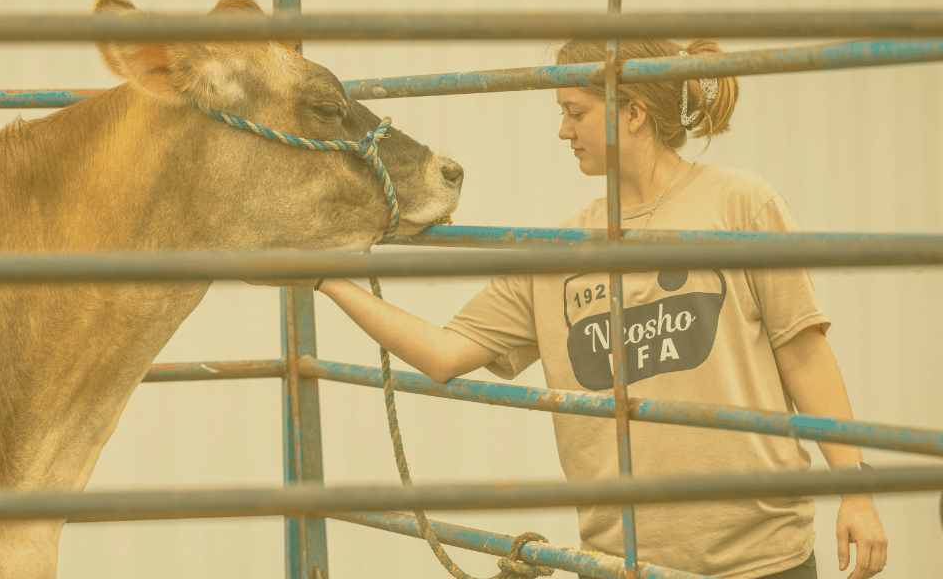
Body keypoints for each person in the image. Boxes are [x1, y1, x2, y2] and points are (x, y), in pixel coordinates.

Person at [254, 38, 887, 579]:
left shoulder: (740, 203)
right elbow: (445, 355)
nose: (562, 131)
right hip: (622, 561)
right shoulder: (557, 252)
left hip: (761, 558)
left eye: (574, 111)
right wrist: (330, 280)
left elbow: (803, 353)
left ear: (632, 111)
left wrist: (856, 493)